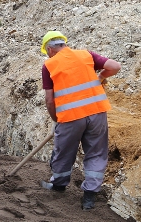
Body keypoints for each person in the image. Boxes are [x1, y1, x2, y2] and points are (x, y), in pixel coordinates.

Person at [39, 31, 121, 211]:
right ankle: (89, 198)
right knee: (96, 153)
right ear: (64, 44)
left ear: (50, 49)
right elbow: (115, 66)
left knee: (64, 151)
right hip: (97, 113)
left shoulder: (49, 65)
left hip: (70, 117)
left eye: (46, 52)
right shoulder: (87, 55)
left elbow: (49, 100)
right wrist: (100, 77)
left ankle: (59, 185)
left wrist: (56, 120)